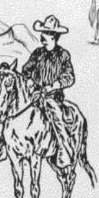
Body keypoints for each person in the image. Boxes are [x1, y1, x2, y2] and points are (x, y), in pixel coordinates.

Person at [22, 15, 76, 168]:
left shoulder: (63, 55)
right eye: (42, 34)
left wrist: (53, 86)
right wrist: (29, 80)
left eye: (45, 34)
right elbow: (26, 69)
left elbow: (69, 77)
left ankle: (64, 150)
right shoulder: (37, 53)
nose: (42, 38)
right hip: (35, 94)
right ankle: (4, 143)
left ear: (53, 36)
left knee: (55, 116)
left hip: (53, 97)